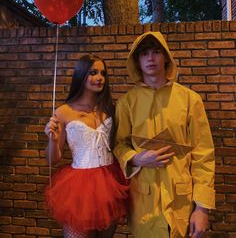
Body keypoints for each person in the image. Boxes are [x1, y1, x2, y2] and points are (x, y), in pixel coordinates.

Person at [114, 31, 215, 238]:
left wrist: (202, 208)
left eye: (156, 52)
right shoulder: (127, 103)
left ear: (166, 57)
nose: (150, 58)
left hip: (182, 203)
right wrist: (135, 157)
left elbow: (203, 154)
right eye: (144, 53)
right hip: (144, 202)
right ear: (137, 60)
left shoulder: (190, 100)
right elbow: (118, 145)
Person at [44, 54, 129, 238]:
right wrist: (52, 139)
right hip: (79, 187)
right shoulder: (63, 111)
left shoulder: (110, 109)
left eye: (102, 73)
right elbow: (53, 159)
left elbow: (119, 144)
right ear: (81, 75)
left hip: (110, 182)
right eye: (93, 72)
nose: (99, 78)